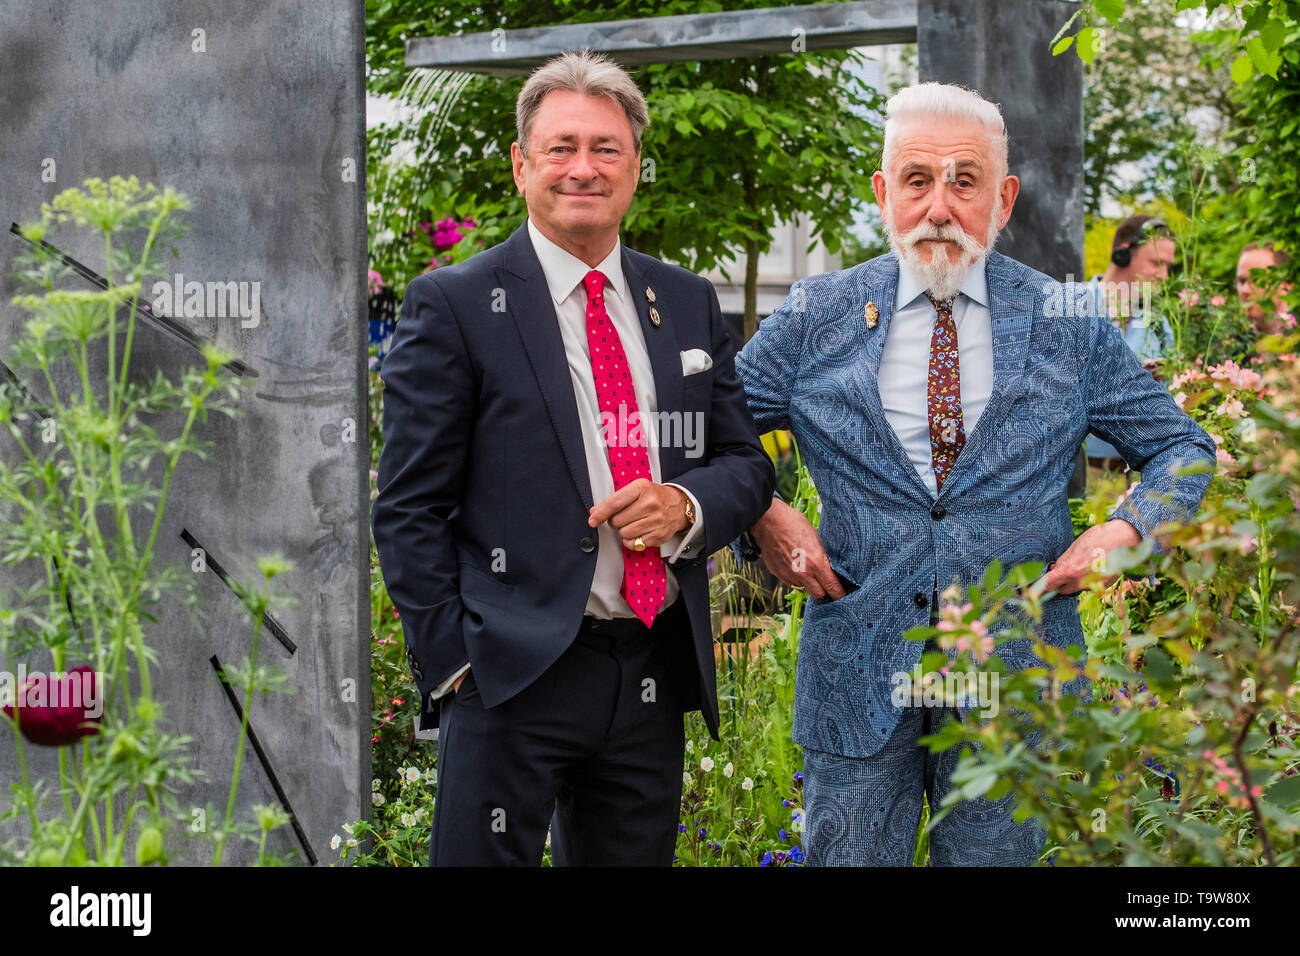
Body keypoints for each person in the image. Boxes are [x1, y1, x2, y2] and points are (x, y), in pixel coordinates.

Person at [735, 81, 1216, 866]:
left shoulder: (1069, 323)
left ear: (1004, 198)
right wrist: (764, 512)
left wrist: (1125, 528)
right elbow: (714, 431)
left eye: (966, 181)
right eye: (918, 181)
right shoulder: (815, 313)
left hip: (1015, 683)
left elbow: (1183, 446)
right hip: (857, 676)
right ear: (884, 192)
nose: (940, 206)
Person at [372, 51, 775, 866]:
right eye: (560, 148)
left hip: (651, 666)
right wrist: (456, 668)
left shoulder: (688, 300)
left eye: (606, 148)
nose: (583, 168)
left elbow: (744, 461)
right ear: (523, 165)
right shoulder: (454, 305)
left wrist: (686, 506)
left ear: (635, 168)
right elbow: (408, 508)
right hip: (509, 674)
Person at [1084, 215, 1178, 470]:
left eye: (1168, 266)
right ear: (1124, 254)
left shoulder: (1160, 326)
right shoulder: (1071, 306)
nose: (1164, 276)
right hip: (1079, 472)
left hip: (1141, 473)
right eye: (1157, 263)